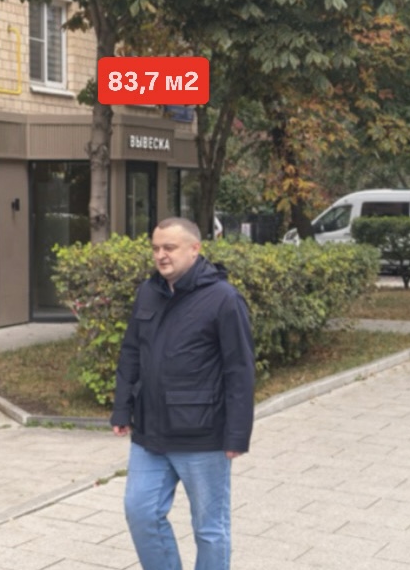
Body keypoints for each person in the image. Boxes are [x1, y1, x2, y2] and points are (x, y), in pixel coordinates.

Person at [111, 217, 255, 570]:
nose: (161, 255)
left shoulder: (223, 299)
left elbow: (239, 370)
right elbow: (131, 352)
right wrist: (122, 408)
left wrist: (237, 434)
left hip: (202, 436)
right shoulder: (148, 292)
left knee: (209, 529)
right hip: (150, 432)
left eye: (169, 248)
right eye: (156, 248)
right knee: (140, 512)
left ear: (195, 249)